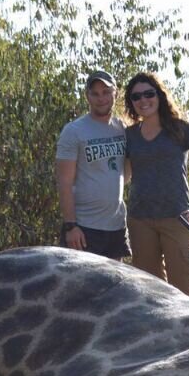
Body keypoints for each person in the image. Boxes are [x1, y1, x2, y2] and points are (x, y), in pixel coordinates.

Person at [123, 72, 189, 297]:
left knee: (183, 289)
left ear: (160, 96)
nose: (143, 100)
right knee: (148, 290)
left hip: (177, 218)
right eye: (136, 97)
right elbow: (124, 175)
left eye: (149, 94)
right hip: (140, 220)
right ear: (131, 103)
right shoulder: (128, 135)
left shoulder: (181, 129)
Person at [55, 69, 130, 260]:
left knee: (113, 288)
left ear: (116, 93)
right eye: (95, 93)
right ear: (87, 96)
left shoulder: (123, 129)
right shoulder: (74, 131)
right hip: (84, 229)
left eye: (106, 92)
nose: (101, 98)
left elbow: (127, 174)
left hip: (116, 227)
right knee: (80, 288)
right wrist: (71, 226)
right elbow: (64, 182)